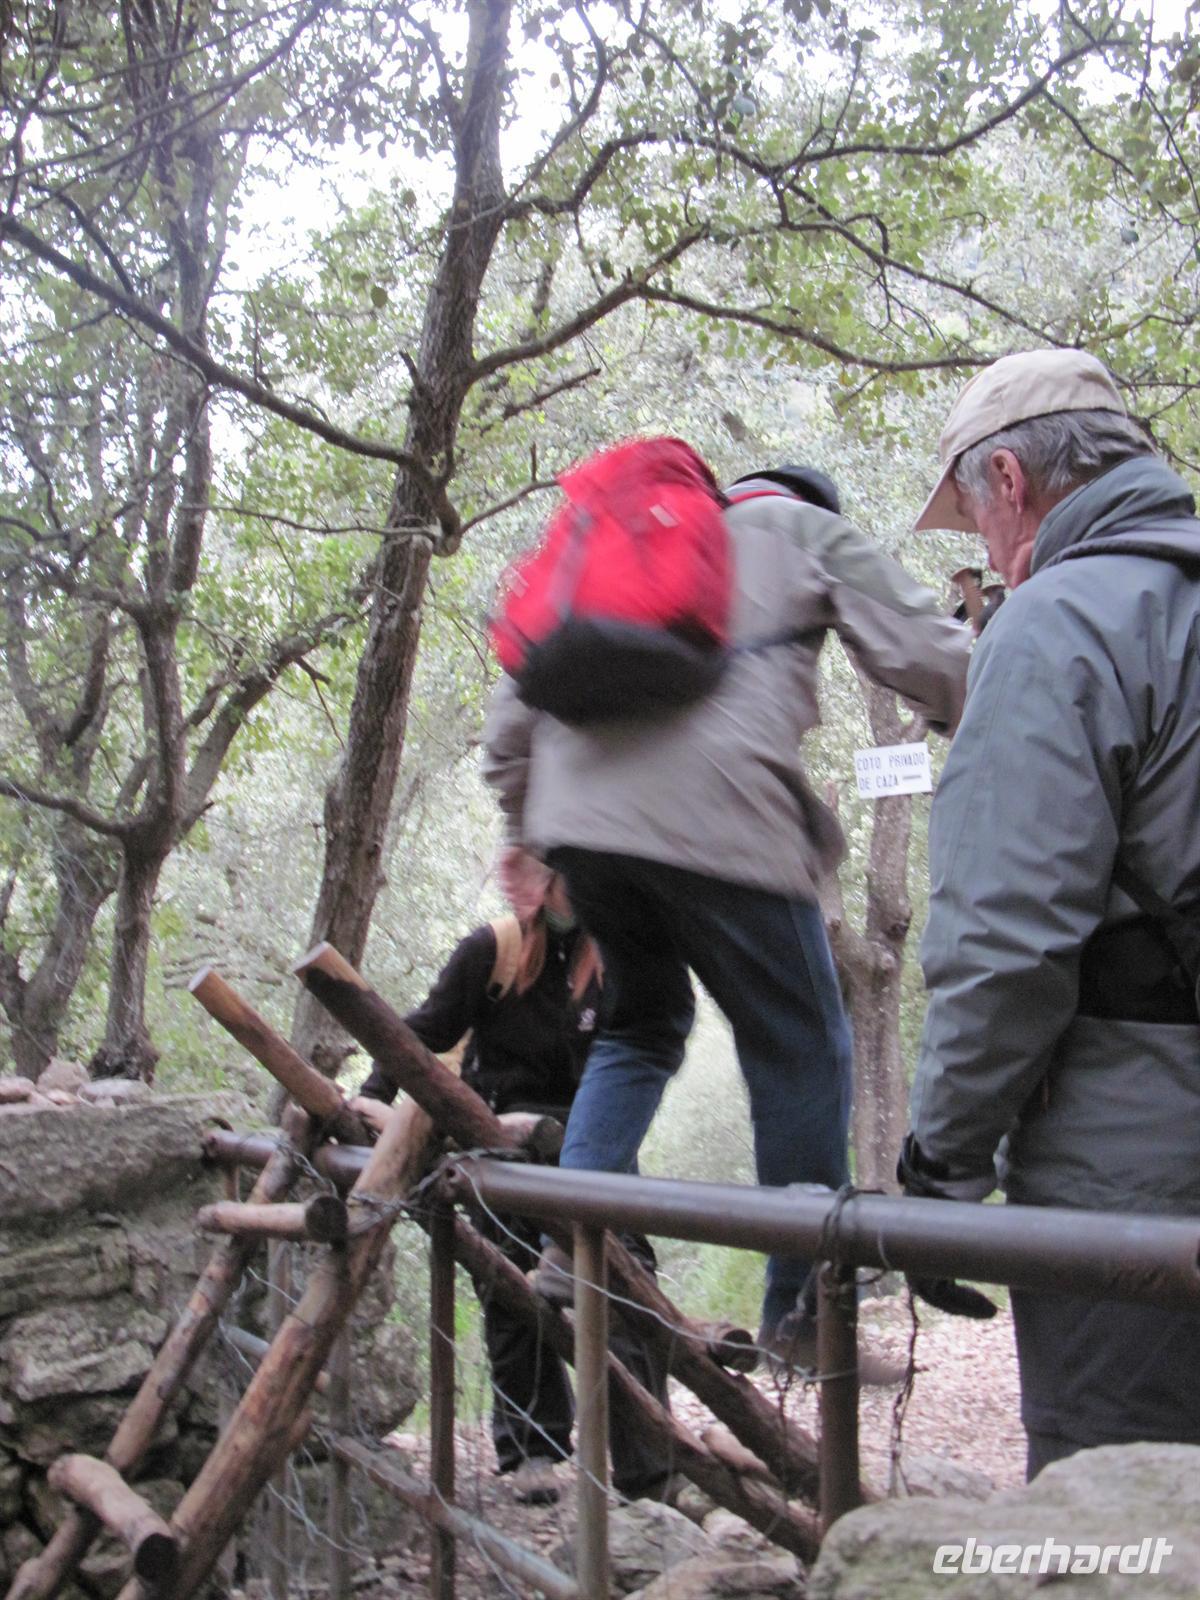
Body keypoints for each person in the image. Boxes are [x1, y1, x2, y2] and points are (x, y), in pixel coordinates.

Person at [483, 461, 971, 1378]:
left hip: (583, 834)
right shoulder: (804, 530)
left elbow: (514, 707)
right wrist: (997, 709)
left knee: (640, 1025)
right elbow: (930, 653)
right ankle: (803, 1314)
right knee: (801, 1045)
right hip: (728, 822)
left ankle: (573, 1246)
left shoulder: (623, 548)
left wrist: (526, 831)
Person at [900, 347, 1200, 1478]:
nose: (983, 552)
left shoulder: (1055, 626)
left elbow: (1007, 946)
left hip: (1139, 1176)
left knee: (1119, 1517)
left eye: (974, 515)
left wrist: (941, 1168)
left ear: (1010, 481)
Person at [350, 876, 673, 1504]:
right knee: (510, 1289)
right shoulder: (491, 951)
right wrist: (371, 1097)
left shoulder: (617, 958)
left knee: (628, 1284)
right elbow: (422, 1032)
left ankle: (649, 1471)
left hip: (595, 1150)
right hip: (497, 1145)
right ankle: (532, 1450)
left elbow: (639, 1053)